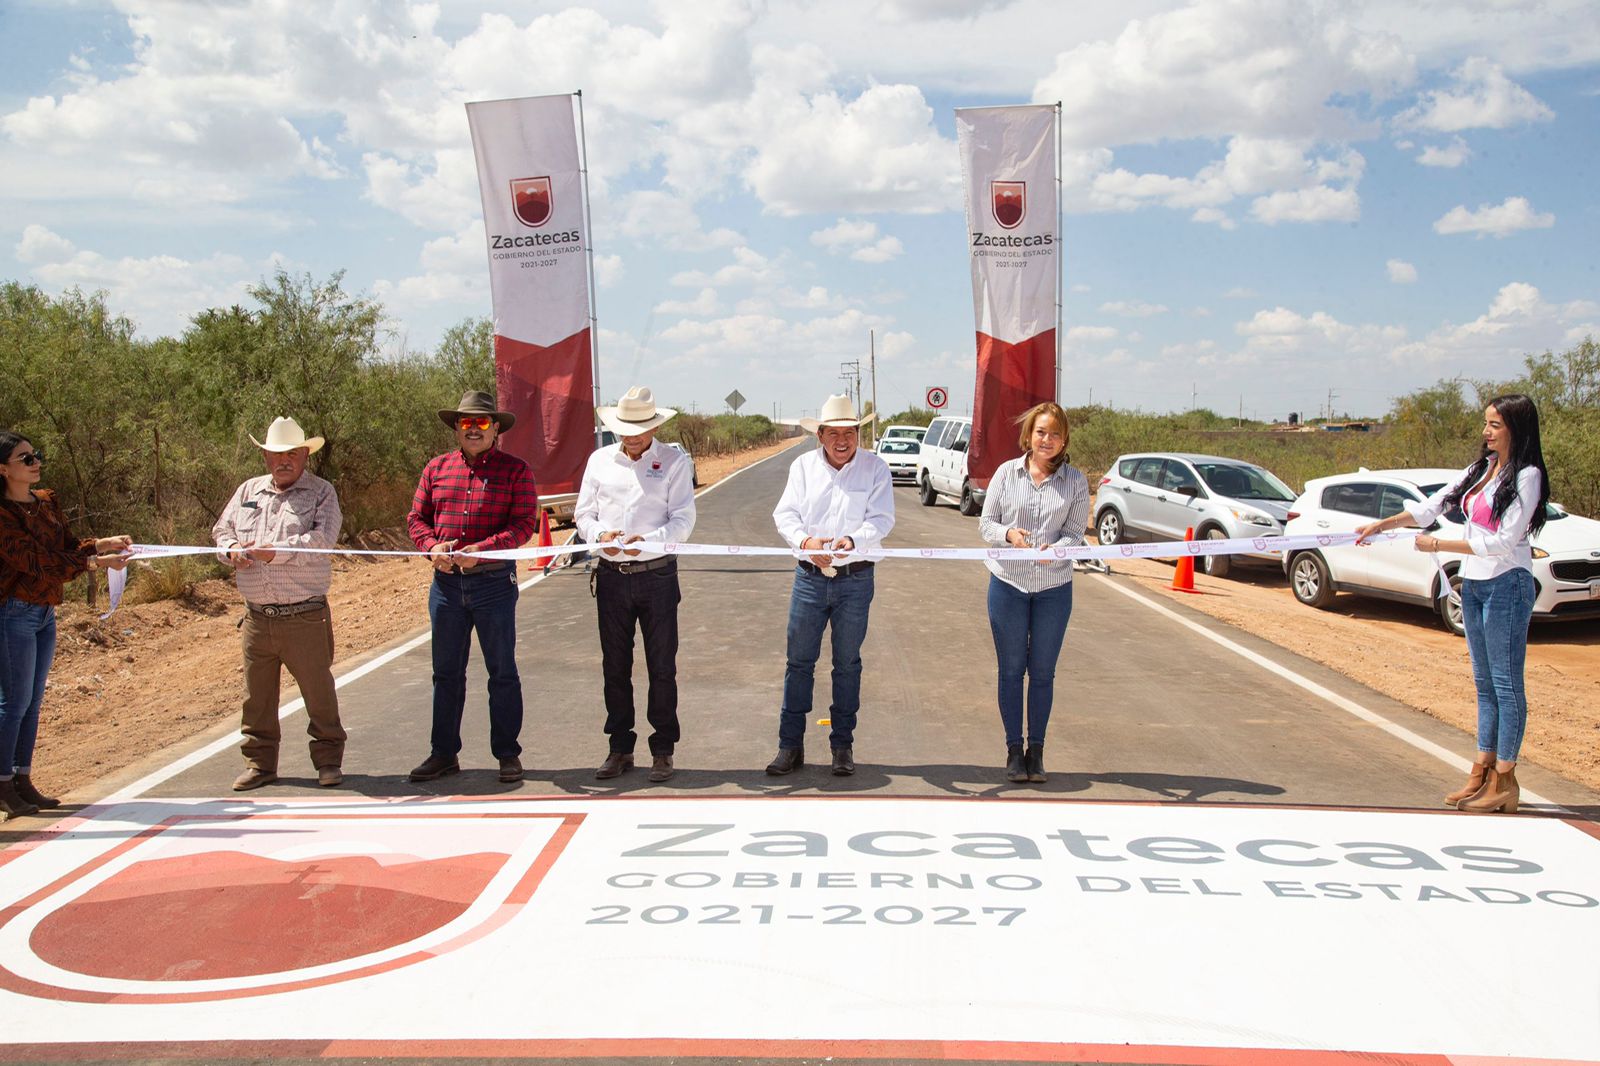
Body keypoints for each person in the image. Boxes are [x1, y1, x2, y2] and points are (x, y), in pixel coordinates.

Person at [1355, 394, 1549, 815]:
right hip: (1475, 585)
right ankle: (1480, 771)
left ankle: (1505, 780)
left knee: (1507, 685)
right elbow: (1432, 507)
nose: (1486, 432)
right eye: (1486, 424)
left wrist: (1439, 544)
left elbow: (1503, 541)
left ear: (1517, 427)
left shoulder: (1527, 475)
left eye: (1495, 425)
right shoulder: (1481, 470)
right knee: (1484, 684)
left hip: (1507, 585)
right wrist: (1383, 524)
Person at [406, 391, 540, 785]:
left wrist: (482, 551)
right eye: (467, 423)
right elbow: (416, 519)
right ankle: (443, 753)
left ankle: (507, 754)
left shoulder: (516, 471)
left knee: (502, 672)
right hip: (446, 587)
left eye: (482, 423)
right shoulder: (436, 469)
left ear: (496, 428)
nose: (474, 429)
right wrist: (431, 547)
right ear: (457, 429)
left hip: (494, 584)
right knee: (446, 673)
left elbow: (523, 527)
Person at [212, 417, 347, 791]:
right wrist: (231, 550)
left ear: (305, 454)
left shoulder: (322, 492)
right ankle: (260, 763)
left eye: (291, 453)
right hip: (256, 618)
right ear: (266, 457)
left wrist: (277, 554)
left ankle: (328, 760)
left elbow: (323, 541)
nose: (283, 460)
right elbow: (221, 531)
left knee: (318, 694)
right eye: (276, 454)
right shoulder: (247, 491)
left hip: (304, 615)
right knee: (256, 698)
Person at [0, 431, 130, 819]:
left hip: (44, 613)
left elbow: (64, 547)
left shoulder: (46, 502)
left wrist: (100, 545)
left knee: (33, 702)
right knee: (13, 703)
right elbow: (35, 562)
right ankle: (4, 782)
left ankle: (22, 779)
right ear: (3, 469)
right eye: (25, 458)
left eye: (35, 455)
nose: (36, 461)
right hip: (13, 613)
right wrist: (94, 564)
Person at [768, 394, 895, 777]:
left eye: (850, 433)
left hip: (855, 579)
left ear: (858, 434)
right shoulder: (802, 467)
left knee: (847, 664)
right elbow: (785, 514)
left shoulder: (875, 468)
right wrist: (806, 543)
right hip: (809, 579)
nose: (843, 441)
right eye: (834, 433)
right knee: (799, 663)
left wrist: (854, 541)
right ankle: (789, 747)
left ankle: (842, 747)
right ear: (820, 435)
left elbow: (882, 518)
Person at [575, 386, 696, 783]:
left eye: (641, 429)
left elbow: (682, 519)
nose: (633, 436)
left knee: (662, 666)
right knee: (615, 666)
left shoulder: (674, 462)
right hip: (611, 578)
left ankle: (663, 750)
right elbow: (584, 514)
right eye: (626, 429)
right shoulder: (598, 462)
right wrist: (600, 534)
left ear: (654, 426)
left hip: (657, 575)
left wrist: (649, 542)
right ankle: (619, 748)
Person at [977, 403, 1089, 784]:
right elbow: (986, 523)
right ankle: (1012, 750)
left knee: (1042, 673)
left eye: (1055, 434)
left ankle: (1036, 752)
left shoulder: (1075, 481)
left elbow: (1076, 533)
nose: (1047, 440)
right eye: (1041, 432)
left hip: (1053, 588)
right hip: (1008, 582)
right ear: (1029, 435)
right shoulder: (1006, 474)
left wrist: (1060, 550)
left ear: (1064, 440)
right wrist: (1009, 535)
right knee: (1011, 670)